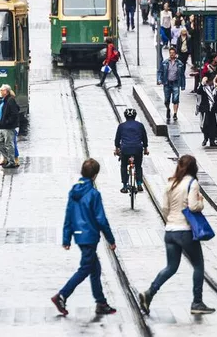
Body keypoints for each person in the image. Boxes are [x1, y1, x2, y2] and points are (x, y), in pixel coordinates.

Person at [139, 154, 215, 316]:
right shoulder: (192, 183)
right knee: (198, 265)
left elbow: (165, 208)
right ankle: (197, 302)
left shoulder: (170, 183)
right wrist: (201, 201)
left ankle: (149, 293)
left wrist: (170, 222)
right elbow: (194, 207)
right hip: (185, 231)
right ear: (193, 168)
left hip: (170, 231)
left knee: (171, 267)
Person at [51, 158, 117, 317]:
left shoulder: (74, 191)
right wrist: (111, 239)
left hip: (79, 237)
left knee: (95, 269)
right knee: (85, 269)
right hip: (90, 236)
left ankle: (101, 303)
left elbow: (68, 215)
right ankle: (62, 295)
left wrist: (66, 238)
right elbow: (101, 219)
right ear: (95, 175)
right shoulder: (94, 194)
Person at [114, 108, 149, 193]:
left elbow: (117, 139)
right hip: (138, 149)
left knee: (123, 166)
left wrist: (117, 149)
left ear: (125, 116)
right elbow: (144, 138)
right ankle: (139, 183)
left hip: (125, 149)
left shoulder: (121, 126)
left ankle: (125, 186)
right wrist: (145, 149)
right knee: (138, 166)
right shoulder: (140, 125)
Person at [0, 84, 20, 169]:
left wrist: (8, 122)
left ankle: (11, 161)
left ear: (6, 91)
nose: (0, 92)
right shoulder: (5, 100)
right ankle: (7, 158)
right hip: (3, 126)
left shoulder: (10, 100)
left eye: (2, 90)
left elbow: (14, 113)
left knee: (9, 143)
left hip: (8, 127)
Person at [160, 48, 182, 122]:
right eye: (170, 53)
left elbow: (182, 75)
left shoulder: (179, 63)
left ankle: (175, 113)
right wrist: (160, 79)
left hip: (175, 83)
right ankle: (168, 109)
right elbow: (160, 71)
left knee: (176, 99)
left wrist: (183, 85)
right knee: (167, 99)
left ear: (175, 54)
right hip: (167, 83)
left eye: (173, 53)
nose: (172, 54)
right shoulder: (165, 62)